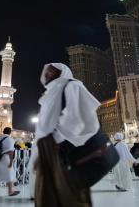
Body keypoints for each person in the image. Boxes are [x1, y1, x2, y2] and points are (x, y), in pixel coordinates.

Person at [34, 63, 101, 207]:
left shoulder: (72, 86)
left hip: (66, 147)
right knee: (47, 194)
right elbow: (43, 127)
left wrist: (57, 140)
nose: (47, 73)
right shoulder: (49, 94)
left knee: (70, 194)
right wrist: (39, 154)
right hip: (47, 148)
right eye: (46, 70)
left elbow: (82, 119)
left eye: (52, 71)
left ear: (61, 73)